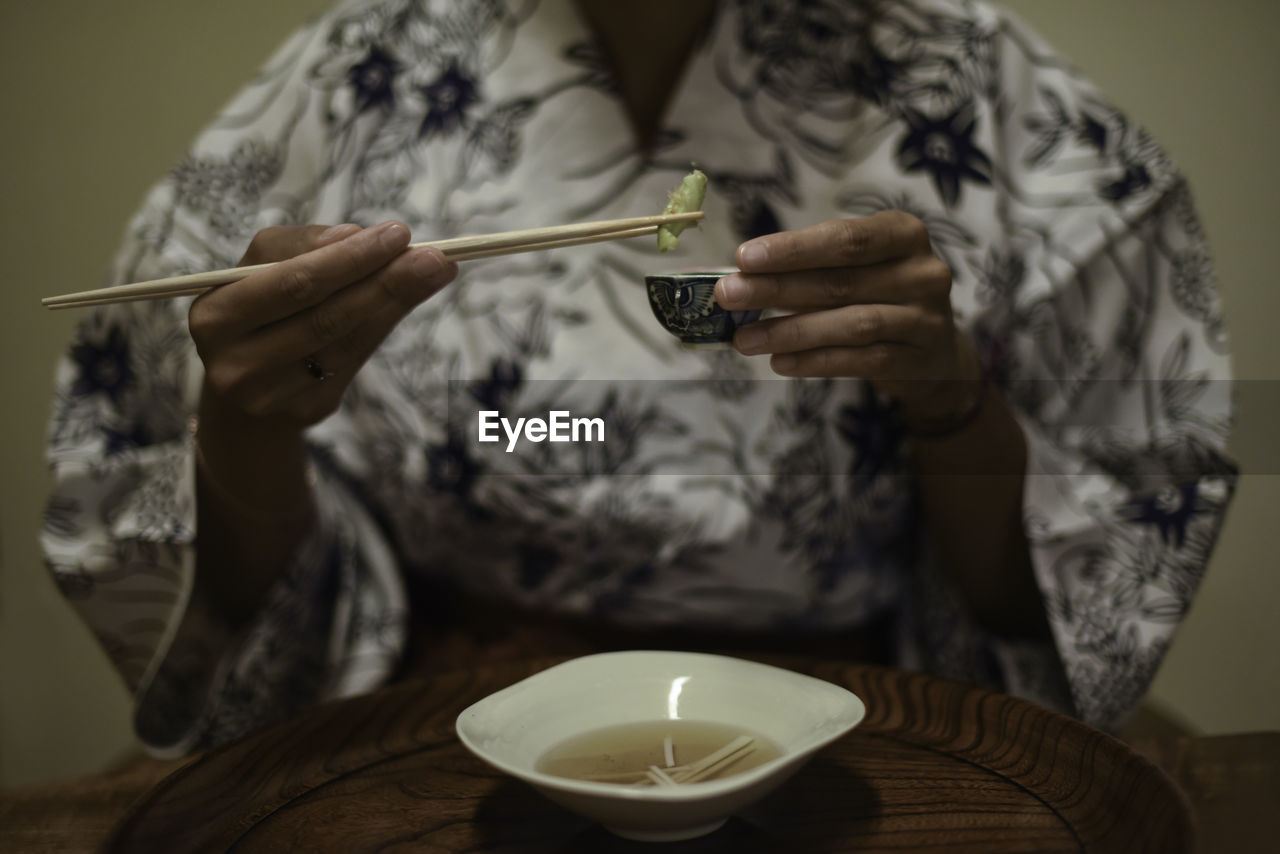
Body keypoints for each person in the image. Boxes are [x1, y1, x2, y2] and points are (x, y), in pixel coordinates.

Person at [43, 0, 1235, 755]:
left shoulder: (988, 100)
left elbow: (1085, 563)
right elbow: (190, 535)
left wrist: (951, 397)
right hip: (438, 720)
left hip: (857, 720)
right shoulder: (360, 73)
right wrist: (246, 424)